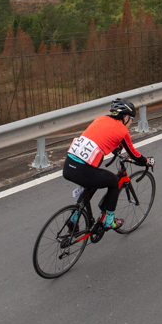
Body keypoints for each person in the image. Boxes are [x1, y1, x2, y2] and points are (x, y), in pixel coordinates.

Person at [63, 98, 154, 230]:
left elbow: (101, 137)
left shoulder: (100, 119)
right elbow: (133, 154)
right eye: (131, 120)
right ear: (126, 117)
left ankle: (73, 220)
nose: (130, 123)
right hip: (82, 170)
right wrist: (148, 161)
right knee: (113, 181)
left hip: (68, 166)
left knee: (90, 184)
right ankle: (109, 221)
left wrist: (115, 147)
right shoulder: (122, 131)